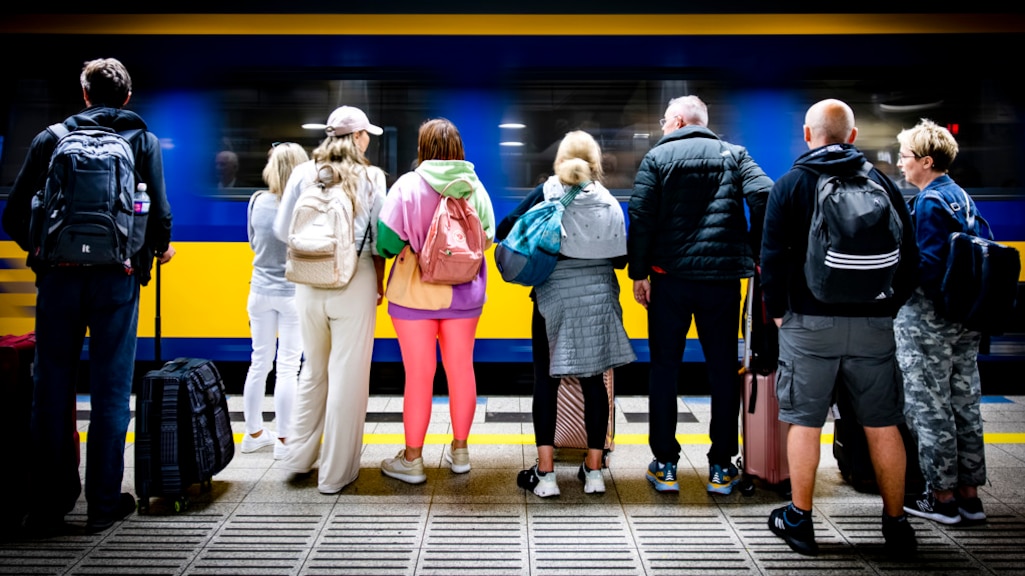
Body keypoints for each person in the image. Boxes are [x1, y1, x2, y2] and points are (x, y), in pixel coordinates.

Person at [1, 57, 174, 534]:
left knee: (50, 392)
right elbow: (159, 215)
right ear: (126, 97)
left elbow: (13, 216)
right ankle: (101, 506)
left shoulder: (50, 139)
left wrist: (42, 252)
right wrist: (157, 251)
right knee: (112, 393)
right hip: (116, 282)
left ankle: (46, 507)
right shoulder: (142, 140)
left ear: (83, 94)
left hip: (57, 280)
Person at [760, 99, 918, 556]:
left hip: (808, 324)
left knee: (805, 423)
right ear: (851, 137)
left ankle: (801, 521)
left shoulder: (790, 185)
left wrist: (777, 312)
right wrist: (887, 307)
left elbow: (771, 258)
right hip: (873, 323)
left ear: (808, 136)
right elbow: (910, 262)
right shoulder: (883, 183)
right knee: (883, 423)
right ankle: (896, 525)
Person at [627, 95, 771, 495]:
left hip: (668, 280)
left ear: (676, 121)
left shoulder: (657, 159)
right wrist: (755, 250)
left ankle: (666, 464)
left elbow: (640, 217)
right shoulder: (734, 154)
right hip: (721, 282)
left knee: (665, 370)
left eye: (662, 121)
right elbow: (764, 195)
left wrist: (639, 273)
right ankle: (722, 466)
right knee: (722, 371)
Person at [509, 131, 635, 498]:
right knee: (594, 382)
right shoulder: (609, 201)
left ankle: (546, 475)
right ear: (596, 163)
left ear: (559, 160)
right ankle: (594, 472)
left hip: (554, 297)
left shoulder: (546, 193)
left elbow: (506, 230)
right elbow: (621, 259)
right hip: (598, 298)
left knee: (546, 381)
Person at [272, 106, 386, 494]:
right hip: (354, 280)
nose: (368, 139)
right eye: (365, 134)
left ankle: (299, 458)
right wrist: (379, 281)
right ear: (356, 138)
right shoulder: (371, 176)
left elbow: (282, 229)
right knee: (347, 378)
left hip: (307, 284)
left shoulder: (305, 172)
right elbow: (380, 240)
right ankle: (336, 474)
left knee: (312, 369)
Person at [376, 118, 495, 484]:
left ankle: (412, 460)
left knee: (419, 376)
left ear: (423, 148)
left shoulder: (408, 186)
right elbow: (488, 236)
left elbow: (386, 241)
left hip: (415, 296)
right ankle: (460, 452)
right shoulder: (474, 187)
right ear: (458, 148)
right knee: (461, 371)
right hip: (464, 294)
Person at [895, 119, 989, 525]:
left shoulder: (931, 202)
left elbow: (928, 268)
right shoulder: (960, 197)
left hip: (931, 322)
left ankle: (942, 497)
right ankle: (970, 496)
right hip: (966, 319)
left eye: (905, 157)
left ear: (926, 161)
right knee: (964, 403)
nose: (900, 164)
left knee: (928, 407)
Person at [241, 142, 309, 460]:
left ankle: (253, 433)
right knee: (288, 367)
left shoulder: (257, 201)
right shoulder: (304, 205)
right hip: (293, 294)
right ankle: (284, 441)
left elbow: (254, 243)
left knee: (259, 362)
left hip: (259, 292)